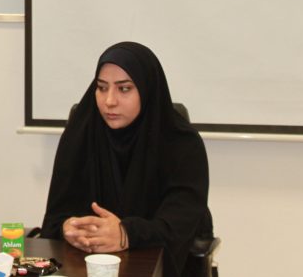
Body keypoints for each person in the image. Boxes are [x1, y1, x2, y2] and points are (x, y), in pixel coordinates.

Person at [40, 41, 213, 277]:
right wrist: (67, 228)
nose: (109, 101)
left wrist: (126, 233)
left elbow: (178, 226)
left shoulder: (182, 144)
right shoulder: (80, 135)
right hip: (86, 268)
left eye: (124, 89)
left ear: (147, 90)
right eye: (102, 88)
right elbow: (54, 220)